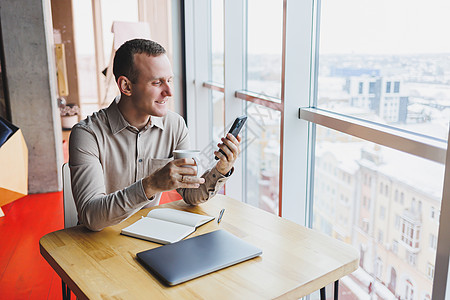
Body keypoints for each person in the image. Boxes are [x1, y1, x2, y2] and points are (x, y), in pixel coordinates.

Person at [69, 39, 241, 231]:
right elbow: (92, 217)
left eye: (169, 80)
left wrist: (222, 168)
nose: (169, 91)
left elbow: (191, 194)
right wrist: (150, 185)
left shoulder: (175, 125)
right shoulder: (87, 134)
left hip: (147, 234)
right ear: (126, 86)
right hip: (96, 245)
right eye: (157, 82)